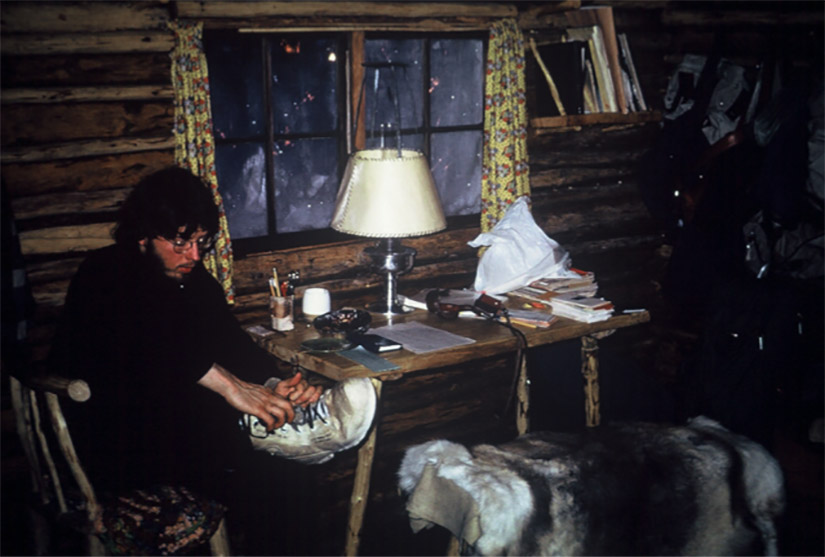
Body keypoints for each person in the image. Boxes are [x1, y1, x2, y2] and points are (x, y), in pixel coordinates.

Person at [47, 167, 374, 522]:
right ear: (142, 234)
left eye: (201, 243)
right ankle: (268, 430)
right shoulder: (104, 272)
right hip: (116, 442)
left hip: (184, 436)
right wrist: (229, 386)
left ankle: (283, 428)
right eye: (180, 243)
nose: (194, 255)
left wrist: (272, 385)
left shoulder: (194, 280)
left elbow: (230, 342)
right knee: (264, 470)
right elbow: (146, 342)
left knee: (292, 482)